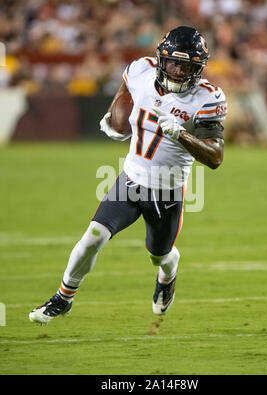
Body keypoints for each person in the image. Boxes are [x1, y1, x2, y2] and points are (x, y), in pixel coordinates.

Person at [29, 26, 227, 324]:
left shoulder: (206, 98)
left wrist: (181, 135)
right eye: (173, 62)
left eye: (187, 66)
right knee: (94, 235)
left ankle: (168, 272)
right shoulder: (140, 70)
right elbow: (126, 91)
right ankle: (63, 297)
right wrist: (116, 118)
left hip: (167, 191)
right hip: (130, 181)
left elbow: (215, 158)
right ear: (161, 58)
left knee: (159, 254)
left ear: (199, 68)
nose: (178, 71)